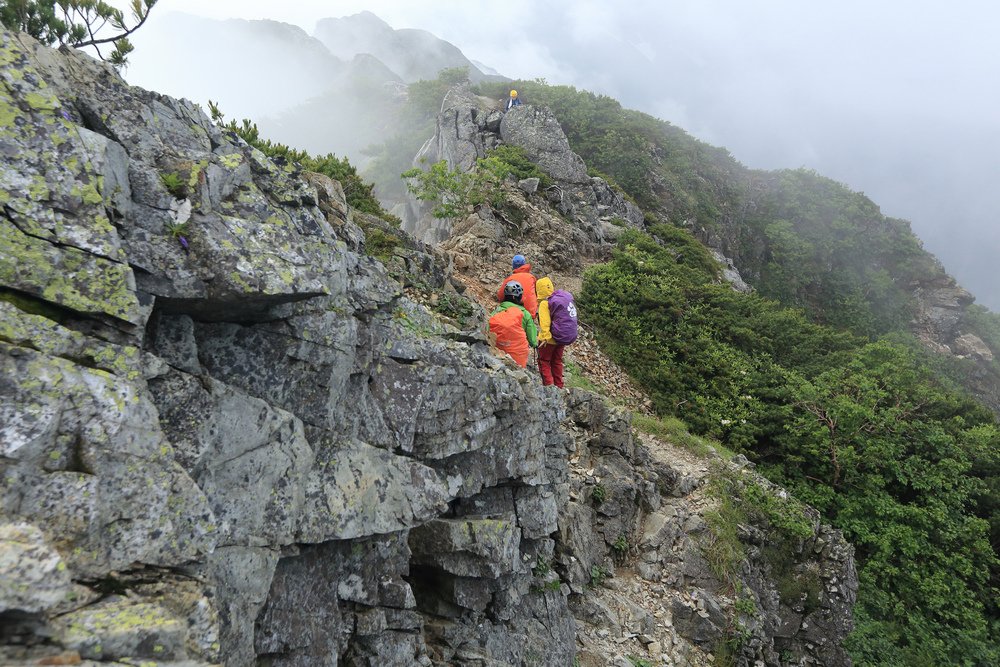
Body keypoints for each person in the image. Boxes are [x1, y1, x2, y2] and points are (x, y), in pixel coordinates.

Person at [535, 277, 578, 388]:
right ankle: (559, 386)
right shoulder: (558, 299)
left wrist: (545, 337)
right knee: (556, 361)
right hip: (561, 337)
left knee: (544, 361)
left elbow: (545, 323)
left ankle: (550, 388)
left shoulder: (545, 303)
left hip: (548, 340)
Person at [489, 281, 537, 368]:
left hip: (497, 353)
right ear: (519, 296)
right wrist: (534, 344)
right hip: (517, 356)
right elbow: (532, 340)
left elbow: (488, 327)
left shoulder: (497, 311)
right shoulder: (525, 314)